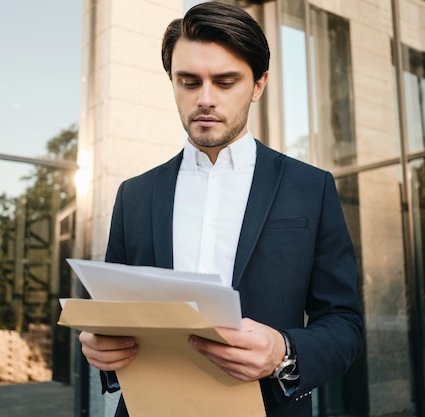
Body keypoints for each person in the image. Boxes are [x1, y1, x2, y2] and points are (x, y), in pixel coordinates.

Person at [78, 2, 364, 416]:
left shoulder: (311, 188)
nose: (205, 99)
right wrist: (101, 348)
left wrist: (283, 352)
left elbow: (344, 324)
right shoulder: (134, 195)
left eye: (226, 81)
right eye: (189, 81)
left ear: (259, 84)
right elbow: (113, 318)